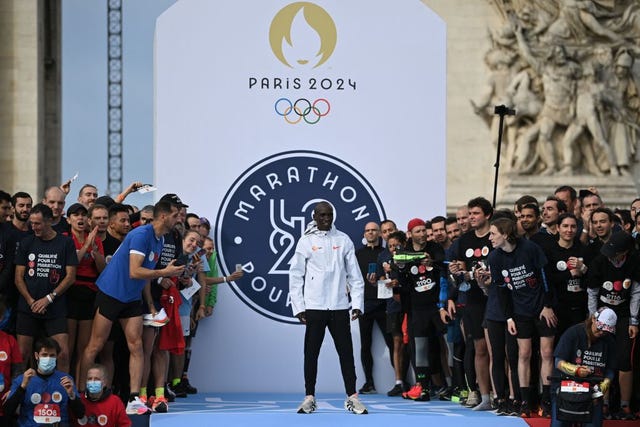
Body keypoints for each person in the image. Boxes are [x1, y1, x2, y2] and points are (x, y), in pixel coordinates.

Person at [78, 200, 185, 416]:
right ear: (163, 216)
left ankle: (134, 398)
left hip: (132, 298)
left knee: (136, 346)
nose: (179, 219)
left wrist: (151, 306)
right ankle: (81, 396)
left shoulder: (161, 239)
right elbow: (135, 271)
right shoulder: (140, 235)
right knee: (94, 346)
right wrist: (165, 272)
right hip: (111, 293)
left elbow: (145, 277)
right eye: (175, 215)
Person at [289, 201, 367, 415]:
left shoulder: (343, 240)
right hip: (314, 306)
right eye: (322, 215)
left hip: (339, 306)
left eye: (330, 214)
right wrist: (299, 307)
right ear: (314, 216)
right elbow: (295, 275)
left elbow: (355, 276)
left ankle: (352, 397)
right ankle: (309, 397)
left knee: (346, 353)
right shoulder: (305, 241)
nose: (326, 218)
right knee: (311, 353)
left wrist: (357, 304)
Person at [487, 217, 557, 418]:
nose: (490, 238)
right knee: (523, 354)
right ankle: (525, 401)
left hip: (542, 308)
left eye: (493, 234)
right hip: (519, 311)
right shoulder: (494, 258)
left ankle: (546, 400)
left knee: (546, 353)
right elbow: (501, 291)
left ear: (506, 234)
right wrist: (509, 317)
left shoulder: (529, 248)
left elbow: (546, 277)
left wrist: (547, 305)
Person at [14, 204, 78, 374]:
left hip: (55, 308)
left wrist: (49, 299)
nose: (33, 227)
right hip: (28, 307)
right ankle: (19, 394)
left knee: (63, 354)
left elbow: (70, 276)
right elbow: (18, 277)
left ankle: (65, 395)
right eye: (32, 223)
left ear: (49, 221)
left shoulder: (65, 243)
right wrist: (31, 301)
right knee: (22, 355)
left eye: (38, 224)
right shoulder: (27, 242)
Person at [551, 307, 617, 427]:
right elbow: (558, 362)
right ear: (593, 319)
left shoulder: (609, 341)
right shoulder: (573, 333)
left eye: (606, 331)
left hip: (593, 389)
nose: (602, 332)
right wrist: (576, 370)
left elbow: (610, 370)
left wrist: (601, 389)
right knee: (559, 424)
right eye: (600, 328)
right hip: (566, 386)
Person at [4, 337, 85, 427]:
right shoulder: (23, 379)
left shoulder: (66, 380)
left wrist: (71, 395)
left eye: (52, 355)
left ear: (57, 356)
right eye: (44, 355)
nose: (48, 358)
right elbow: (7, 412)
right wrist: (22, 387)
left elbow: (80, 414)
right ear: (36, 356)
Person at [355, 221, 392, 395]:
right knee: (365, 345)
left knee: (393, 343)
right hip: (365, 305)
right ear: (364, 234)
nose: (370, 233)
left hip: (385, 304)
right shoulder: (357, 254)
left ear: (379, 234)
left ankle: (401, 381)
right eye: (367, 231)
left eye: (373, 230)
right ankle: (369, 382)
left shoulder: (386, 254)